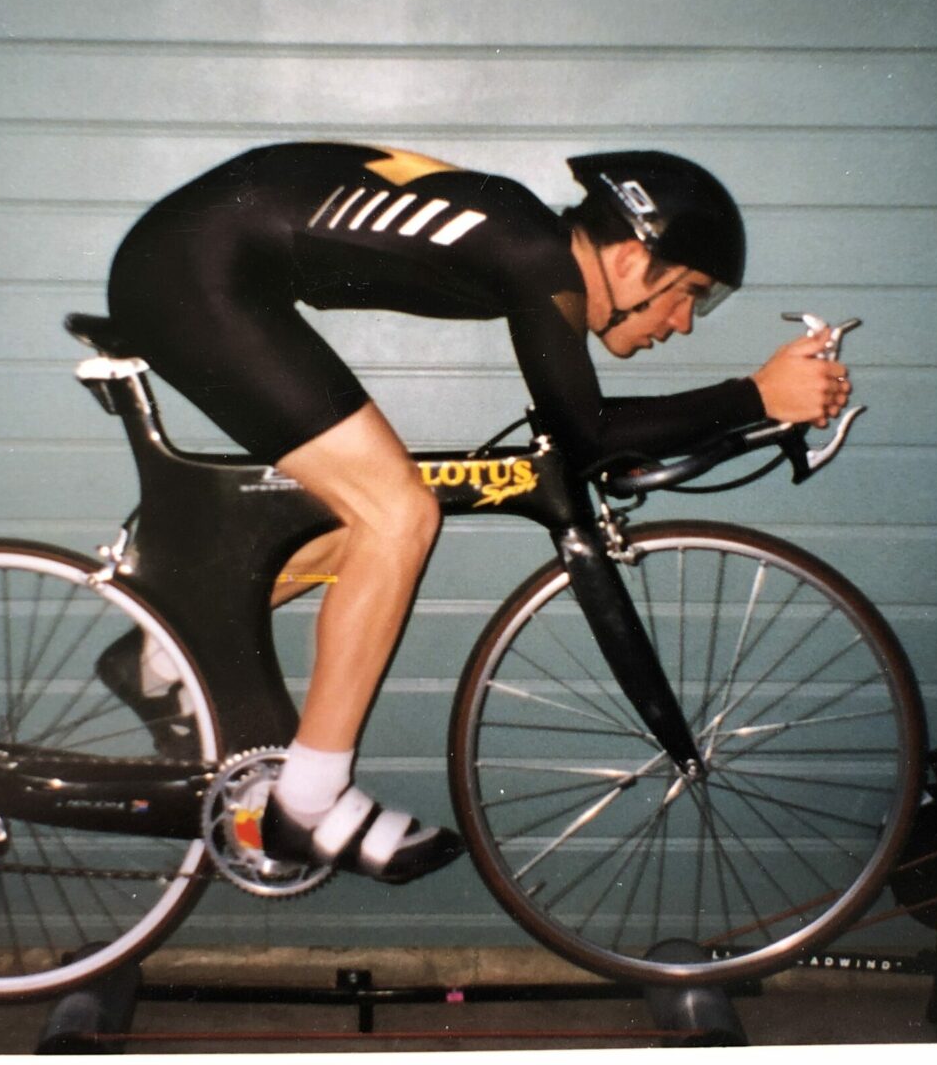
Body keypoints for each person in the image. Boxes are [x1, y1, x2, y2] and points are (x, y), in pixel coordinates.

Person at [100, 142, 850, 885]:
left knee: (368, 523)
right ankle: (307, 802)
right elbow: (583, 431)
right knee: (400, 515)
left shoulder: (528, 249)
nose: (684, 322)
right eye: (689, 292)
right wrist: (754, 398)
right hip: (196, 270)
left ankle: (163, 656)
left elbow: (580, 435)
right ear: (628, 259)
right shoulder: (538, 260)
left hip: (200, 261)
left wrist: (743, 410)